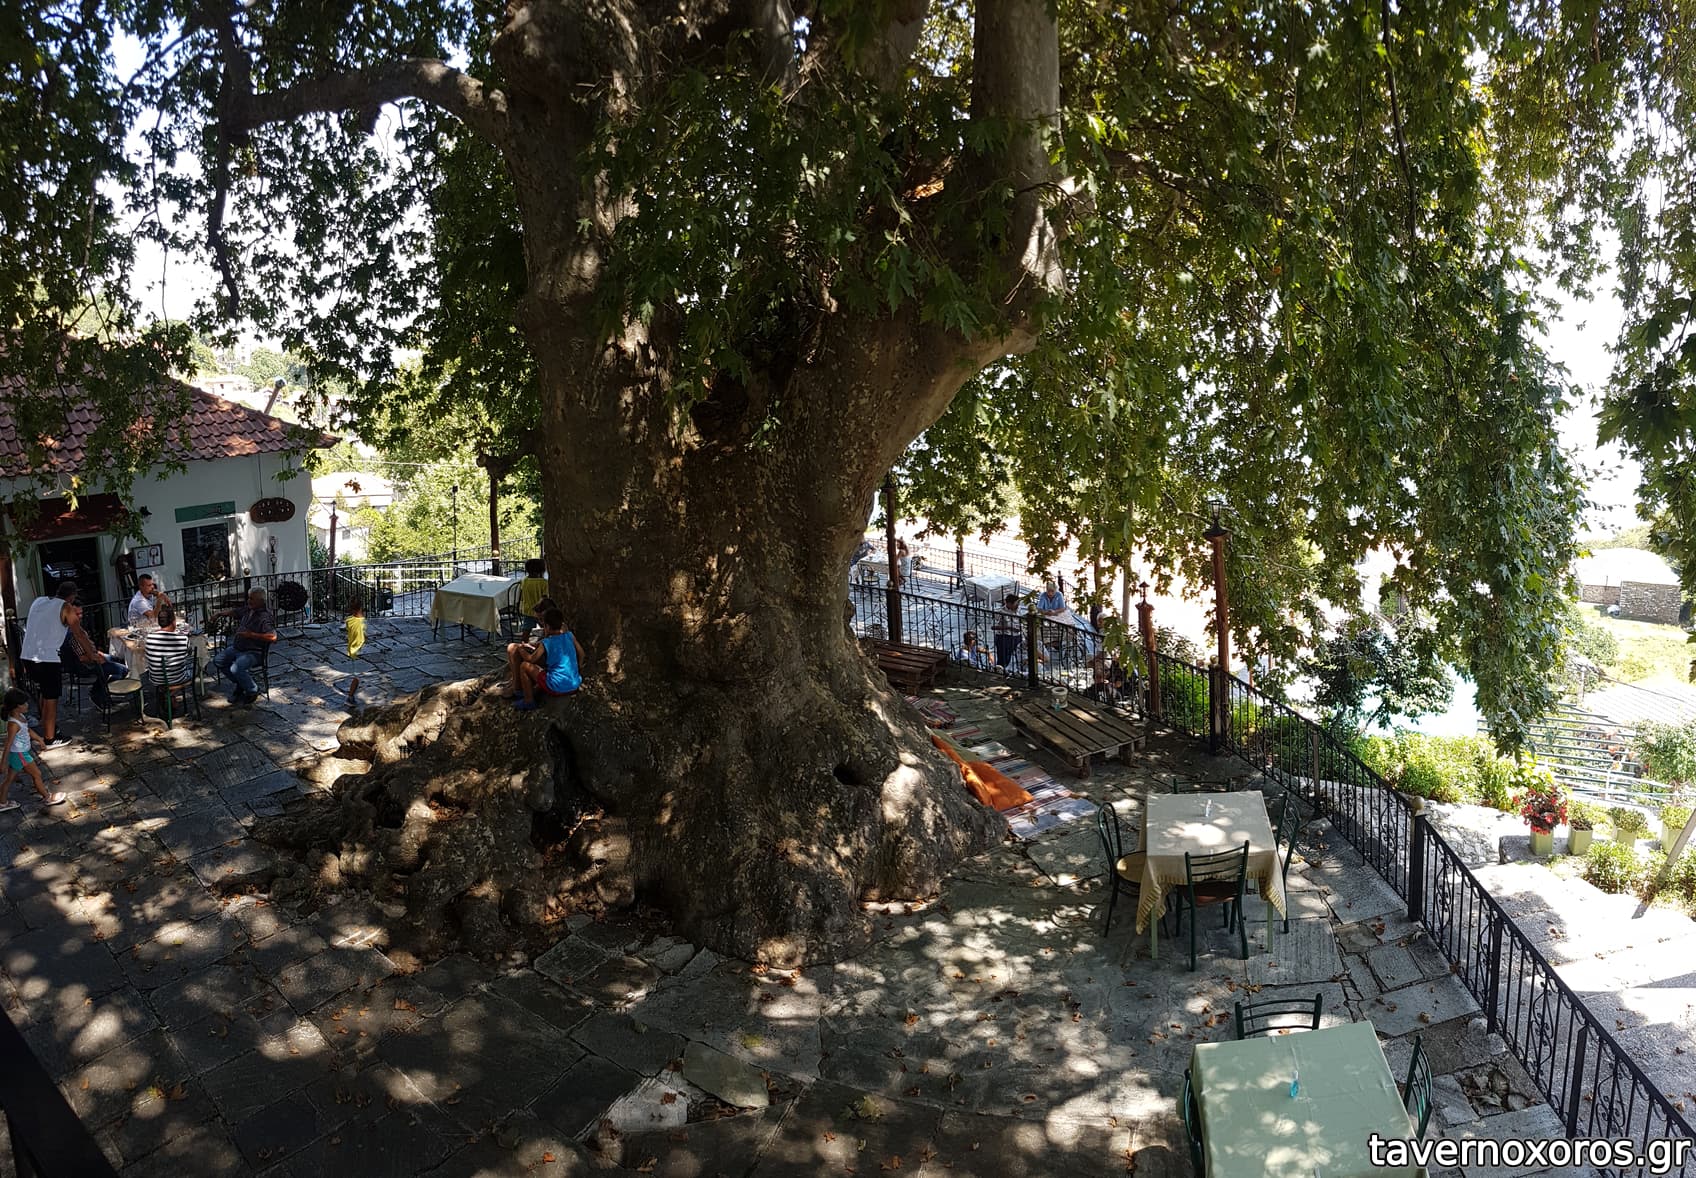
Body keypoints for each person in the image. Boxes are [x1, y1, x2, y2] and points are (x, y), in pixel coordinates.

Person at [18, 581, 78, 749]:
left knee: (44, 692)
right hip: (47, 658)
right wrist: (91, 652)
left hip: (28, 656)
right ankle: (50, 739)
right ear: (72, 597)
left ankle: (47, 725)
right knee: (51, 697)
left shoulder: (39, 601)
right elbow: (78, 633)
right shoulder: (66, 607)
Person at [0, 689, 66, 811]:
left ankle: (2, 803)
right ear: (17, 707)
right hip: (20, 755)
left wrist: (40, 740)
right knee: (37, 774)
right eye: (24, 703)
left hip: (19, 754)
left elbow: (27, 730)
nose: (27, 705)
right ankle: (47, 797)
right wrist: (3, 763)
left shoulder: (20, 716)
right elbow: (8, 744)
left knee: (9, 779)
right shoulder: (13, 724)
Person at [213, 588, 277, 707]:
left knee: (236, 668)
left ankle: (252, 690)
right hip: (238, 647)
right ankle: (242, 683)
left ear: (260, 601)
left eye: (252, 598)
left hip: (253, 652)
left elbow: (273, 637)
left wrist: (251, 635)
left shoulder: (265, 617)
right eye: (249, 598)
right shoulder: (248, 609)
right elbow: (235, 612)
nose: (249, 601)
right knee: (218, 660)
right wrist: (219, 614)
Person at [514, 607, 585, 710]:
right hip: (575, 684)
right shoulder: (570, 635)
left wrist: (521, 649)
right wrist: (578, 667)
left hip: (556, 687)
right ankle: (532, 692)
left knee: (524, 666)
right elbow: (582, 654)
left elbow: (531, 659)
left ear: (546, 626)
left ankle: (528, 701)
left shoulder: (546, 642)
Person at [62, 598, 128, 707]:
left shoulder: (76, 627)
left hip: (93, 657)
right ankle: (98, 695)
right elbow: (82, 658)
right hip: (86, 666)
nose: (80, 616)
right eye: (77, 614)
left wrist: (98, 654)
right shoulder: (72, 634)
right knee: (122, 670)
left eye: (81, 613)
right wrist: (98, 659)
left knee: (120, 660)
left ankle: (101, 692)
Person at [142, 603, 197, 703]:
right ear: (173, 622)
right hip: (178, 678)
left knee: (171, 666)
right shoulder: (183, 639)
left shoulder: (149, 638)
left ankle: (169, 696)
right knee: (197, 665)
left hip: (156, 679)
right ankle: (170, 695)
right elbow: (188, 655)